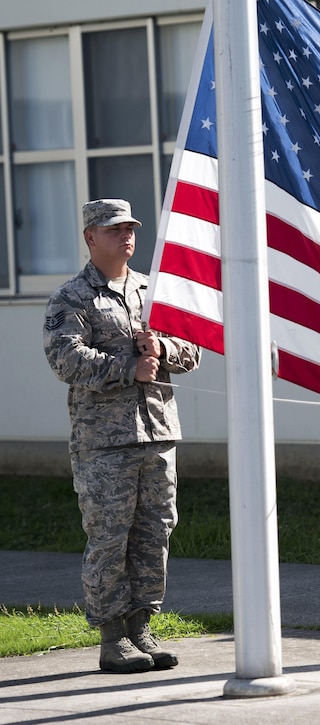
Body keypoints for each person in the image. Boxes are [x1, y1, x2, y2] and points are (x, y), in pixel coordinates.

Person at [43, 199, 201, 673]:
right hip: (105, 442)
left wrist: (164, 347)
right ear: (91, 237)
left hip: (157, 433)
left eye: (130, 228)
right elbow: (64, 360)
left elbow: (194, 347)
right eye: (114, 230)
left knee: (155, 533)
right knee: (110, 537)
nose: (126, 236)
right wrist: (125, 367)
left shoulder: (154, 291)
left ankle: (141, 629)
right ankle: (113, 639)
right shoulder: (71, 298)